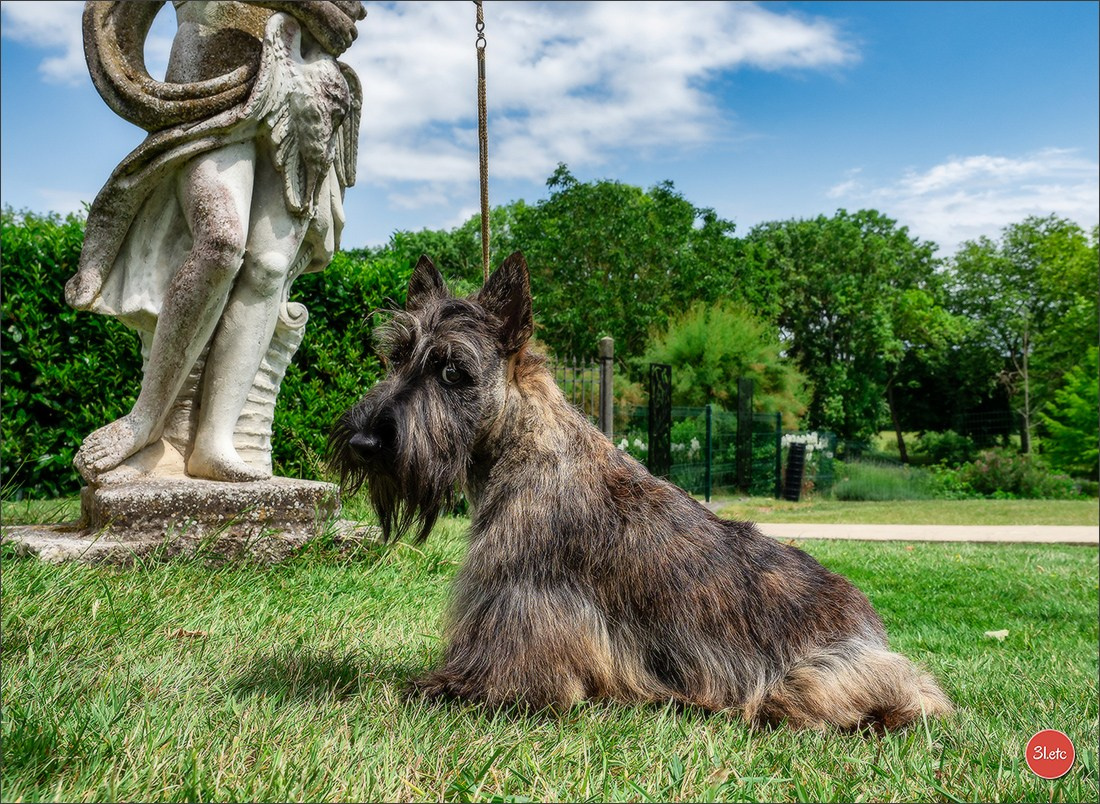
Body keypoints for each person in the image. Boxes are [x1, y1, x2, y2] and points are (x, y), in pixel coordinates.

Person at [66, 0, 365, 483]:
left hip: (300, 83)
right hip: (210, 81)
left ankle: (215, 442)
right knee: (221, 240)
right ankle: (147, 421)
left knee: (269, 266)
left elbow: (344, 23)